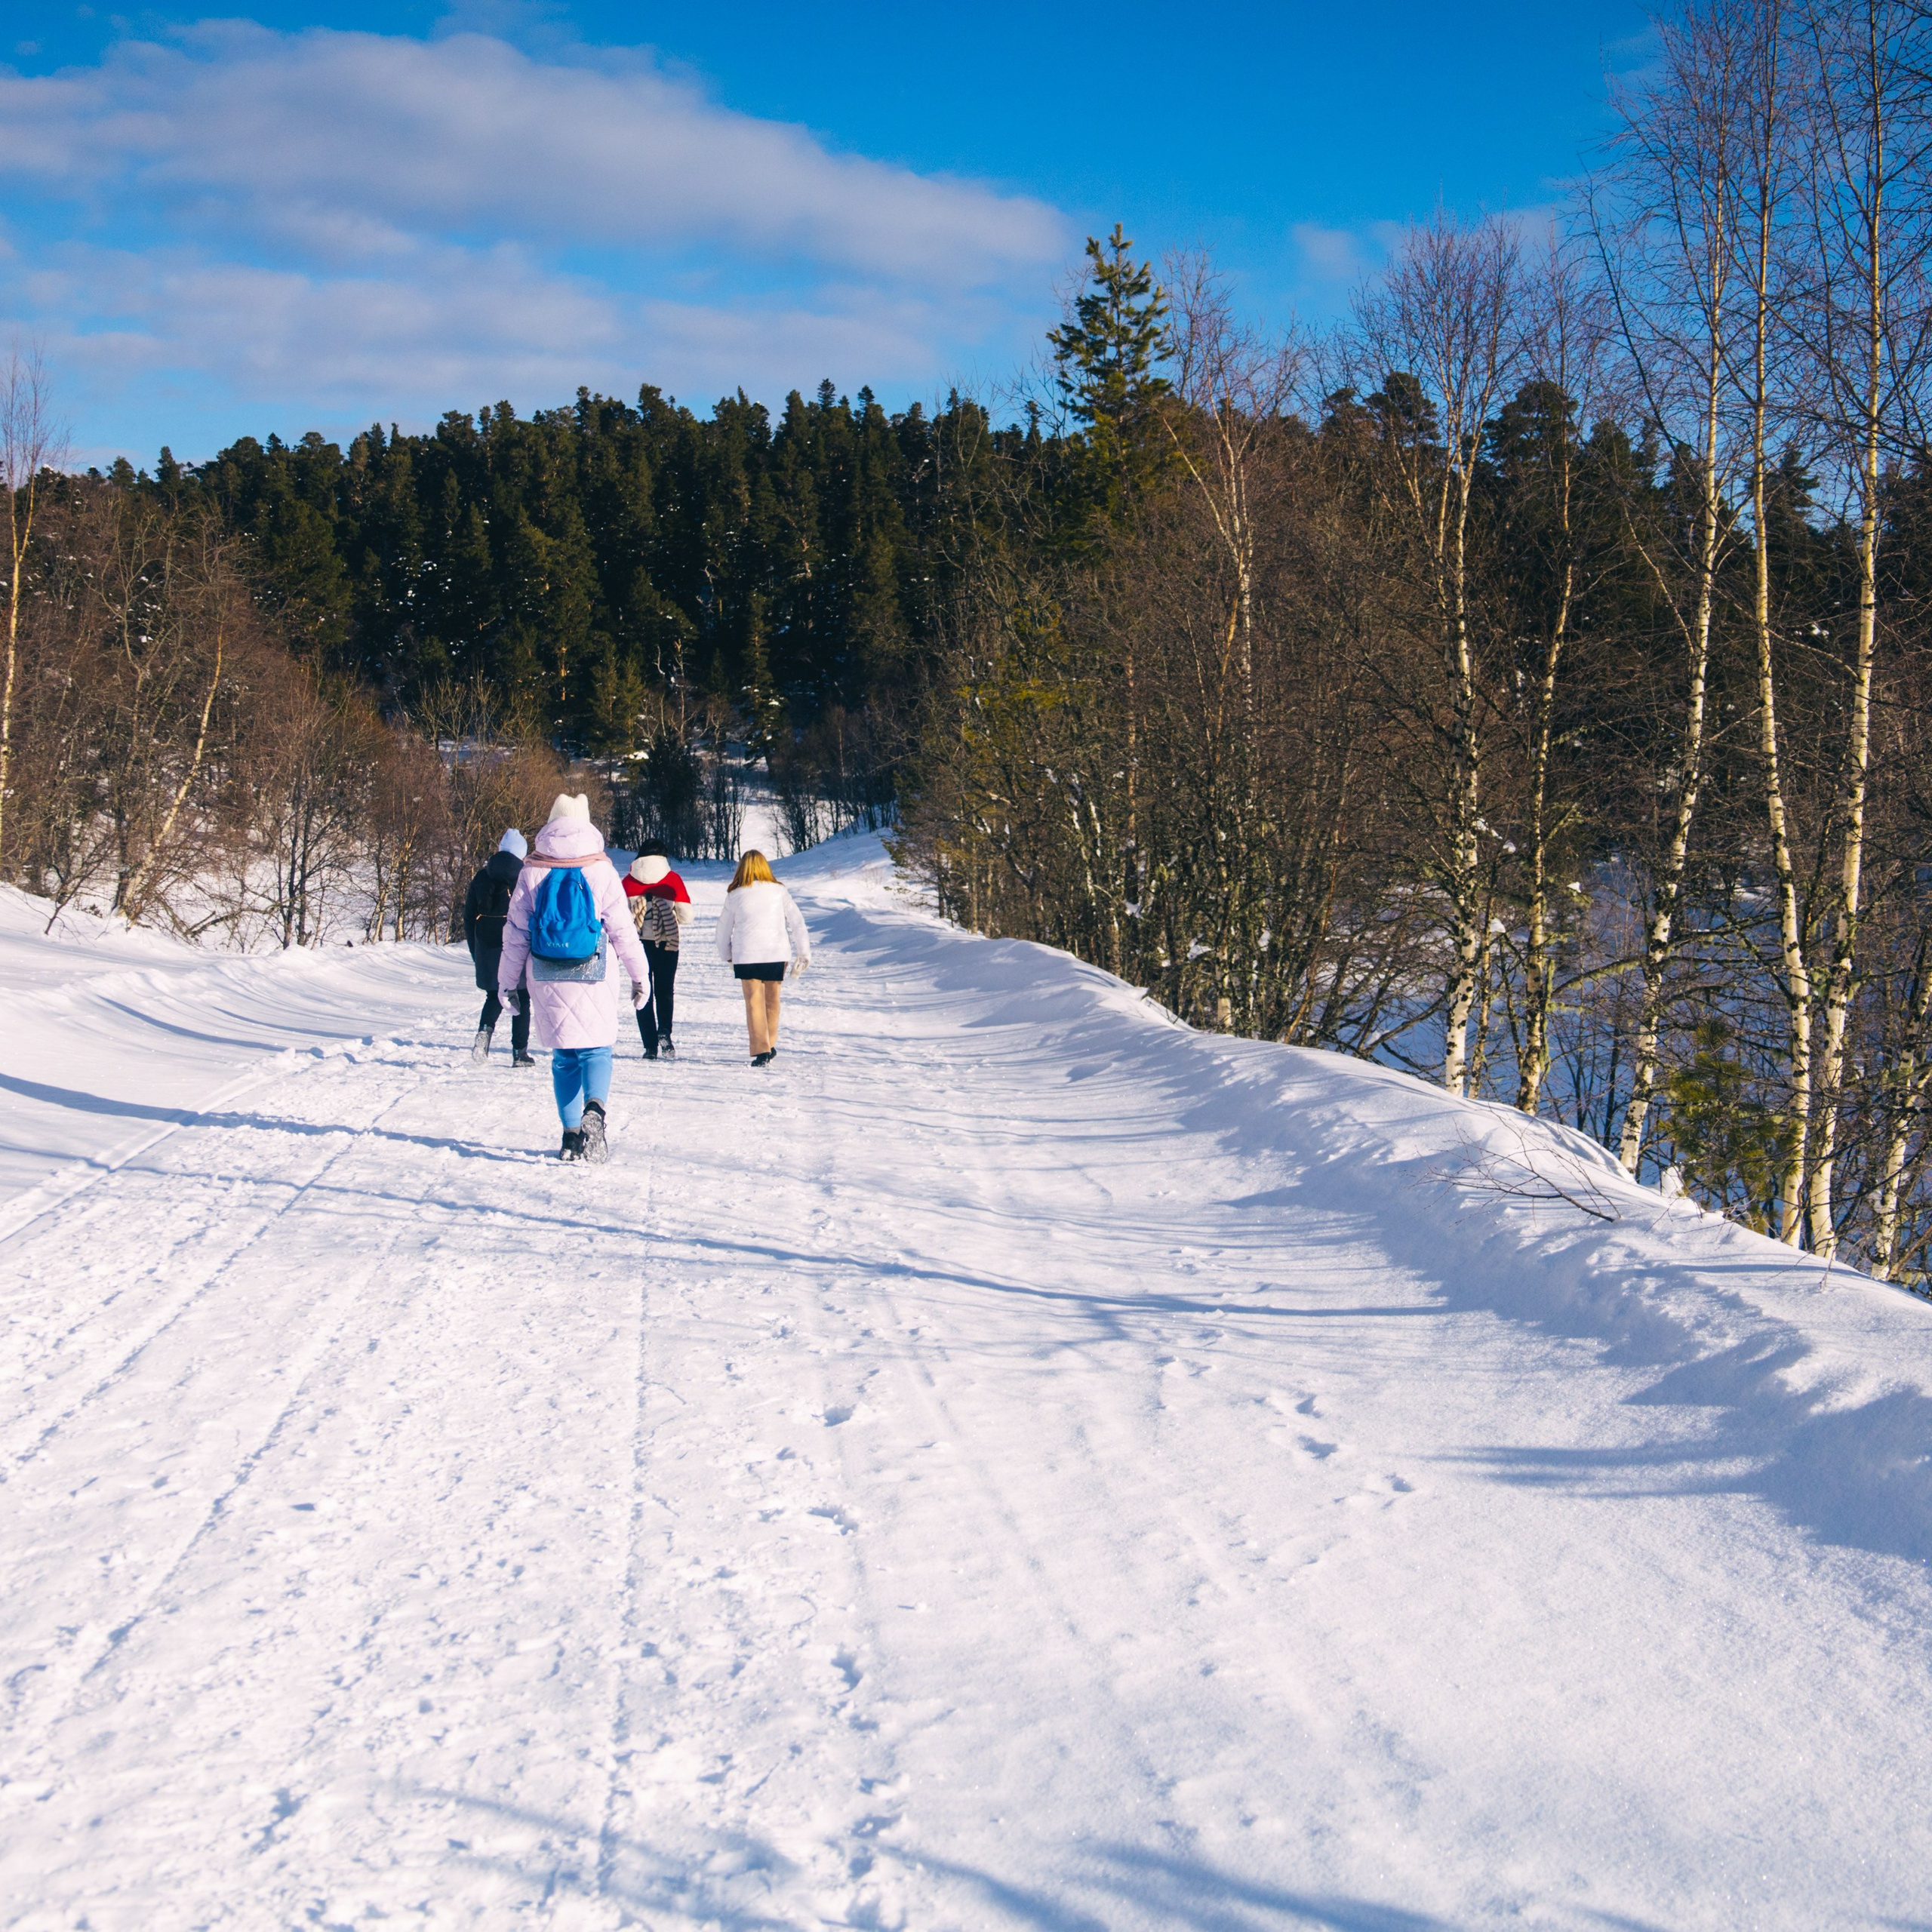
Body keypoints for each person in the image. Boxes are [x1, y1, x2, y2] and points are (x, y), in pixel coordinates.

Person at [497, 794, 652, 1161]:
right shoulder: (601, 870)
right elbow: (624, 932)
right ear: (586, 825)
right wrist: (640, 976)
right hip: (594, 971)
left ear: (551, 824)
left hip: (547, 971)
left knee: (564, 1057)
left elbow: (515, 933)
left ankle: (570, 1139)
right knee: (597, 1048)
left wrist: (506, 983)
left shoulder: (531, 870)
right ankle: (594, 1110)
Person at [714, 849, 810, 1068]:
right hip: (775, 954)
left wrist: (727, 955)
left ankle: (762, 1050)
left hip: (746, 956)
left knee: (754, 1003)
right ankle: (770, 1043)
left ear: (743, 868)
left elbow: (723, 930)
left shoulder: (735, 894)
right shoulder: (779, 891)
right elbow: (797, 922)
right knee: (772, 1000)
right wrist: (804, 952)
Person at [463, 828, 534, 1066]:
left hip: (486, 944)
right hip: (515, 943)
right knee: (521, 996)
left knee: (494, 994)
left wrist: (476, 952)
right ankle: (519, 1053)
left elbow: (468, 916)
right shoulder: (524, 877)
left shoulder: (481, 876)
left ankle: (485, 1031)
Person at [622, 841, 691, 1060]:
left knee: (643, 992)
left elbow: (619, 917)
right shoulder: (673, 880)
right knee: (665, 991)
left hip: (638, 944)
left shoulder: (628, 881)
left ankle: (649, 1046)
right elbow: (687, 916)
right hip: (667, 943)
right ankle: (665, 1033)